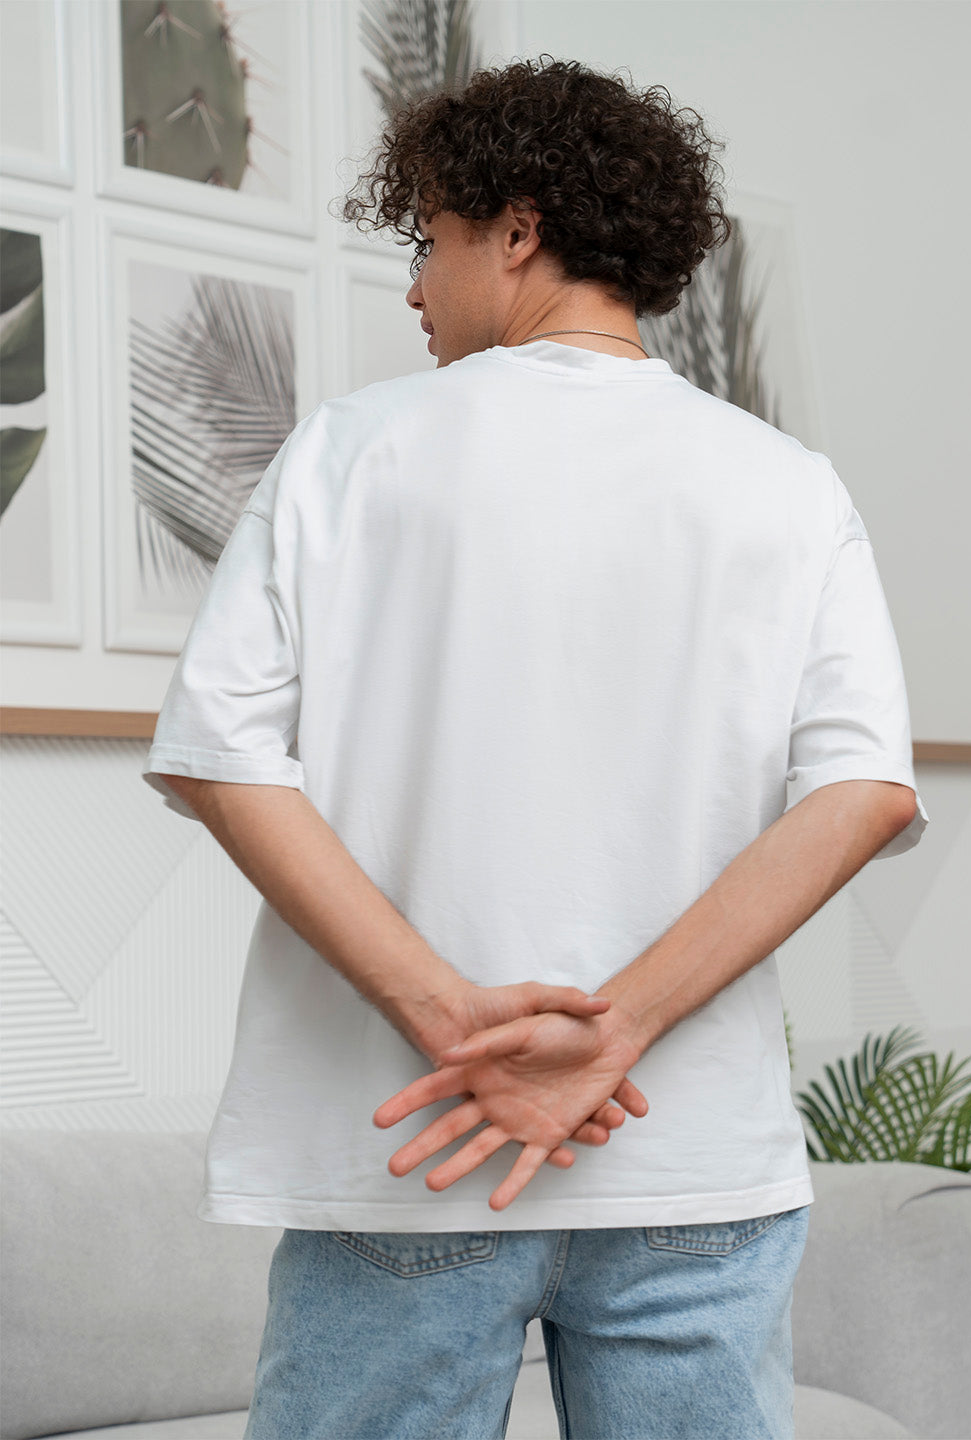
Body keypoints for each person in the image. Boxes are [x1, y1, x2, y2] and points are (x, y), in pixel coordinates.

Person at [142, 53, 929, 1440]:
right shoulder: (787, 488)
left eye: (427, 242)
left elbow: (223, 759)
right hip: (685, 1158)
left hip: (412, 1147)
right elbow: (860, 791)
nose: (413, 287)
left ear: (515, 232)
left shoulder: (348, 454)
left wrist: (449, 1022)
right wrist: (613, 1028)